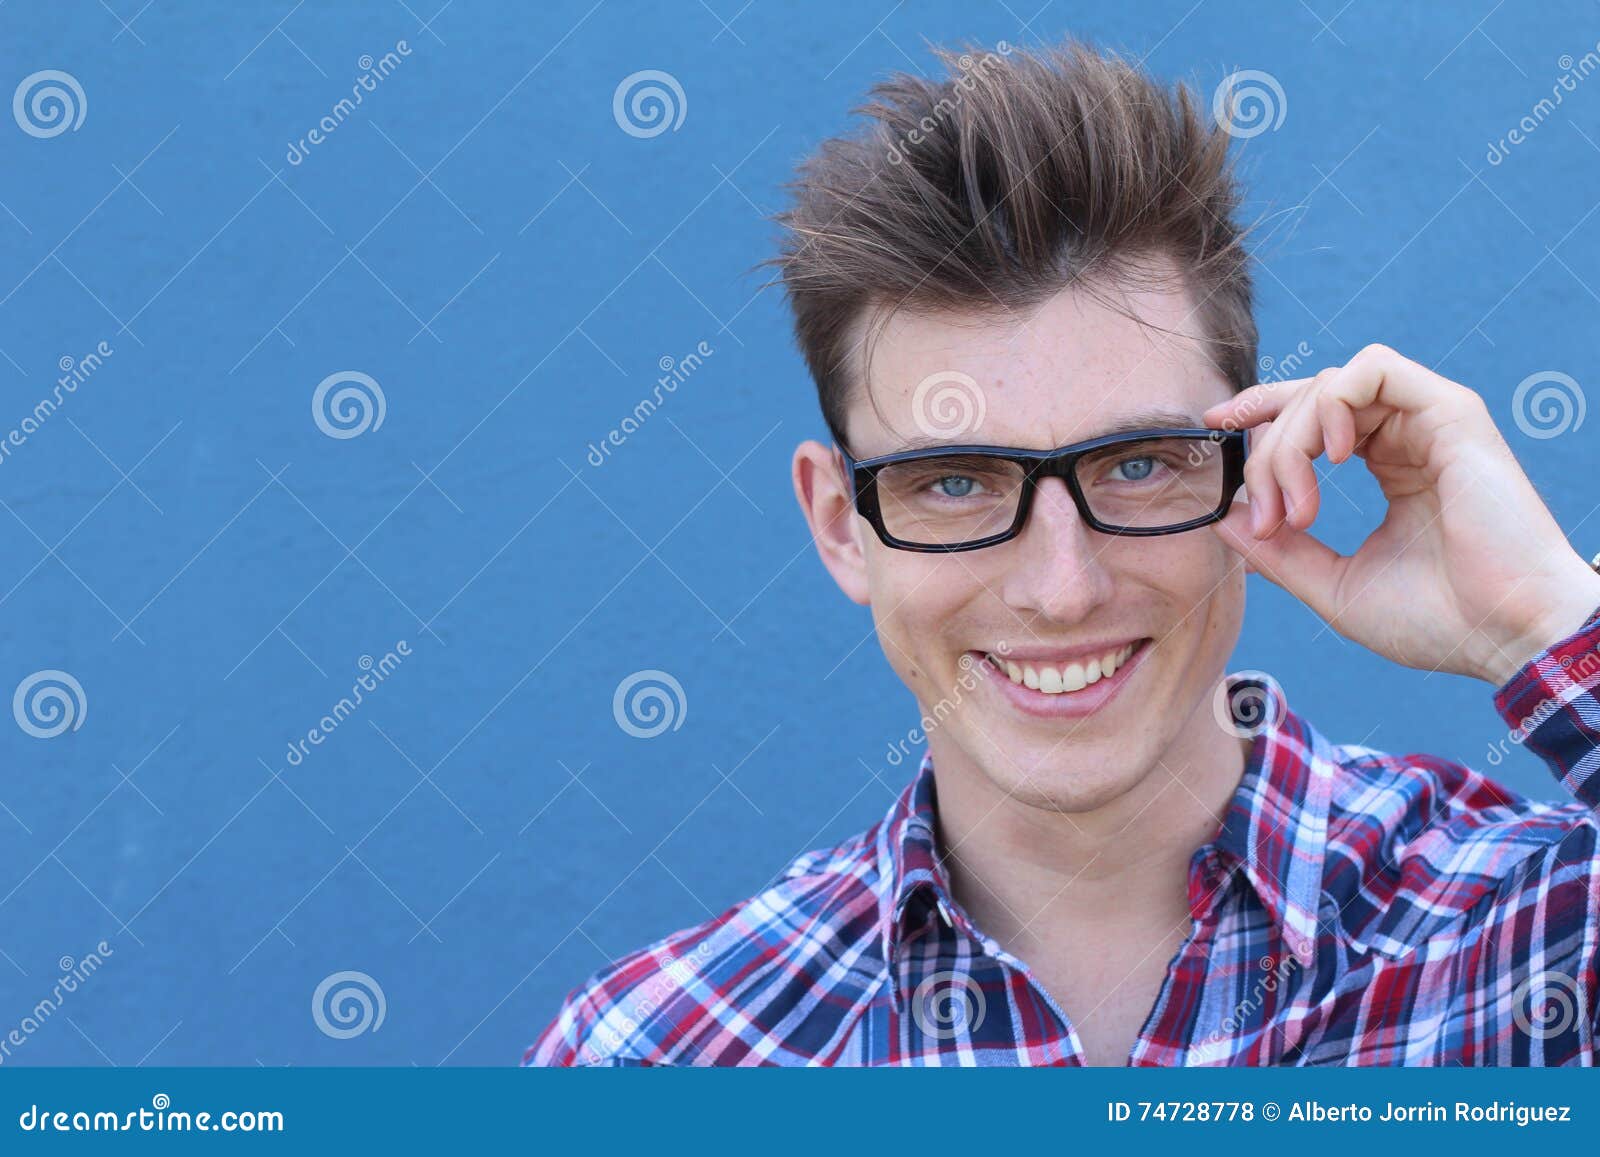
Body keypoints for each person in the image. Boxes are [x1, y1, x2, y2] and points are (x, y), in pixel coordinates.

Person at [524, 38, 1600, 1066]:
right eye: (953, 482)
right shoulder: (656, 1058)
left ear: (1256, 461)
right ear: (840, 524)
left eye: (1137, 464)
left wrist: (1545, 620)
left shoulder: (1543, 941)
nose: (1061, 587)